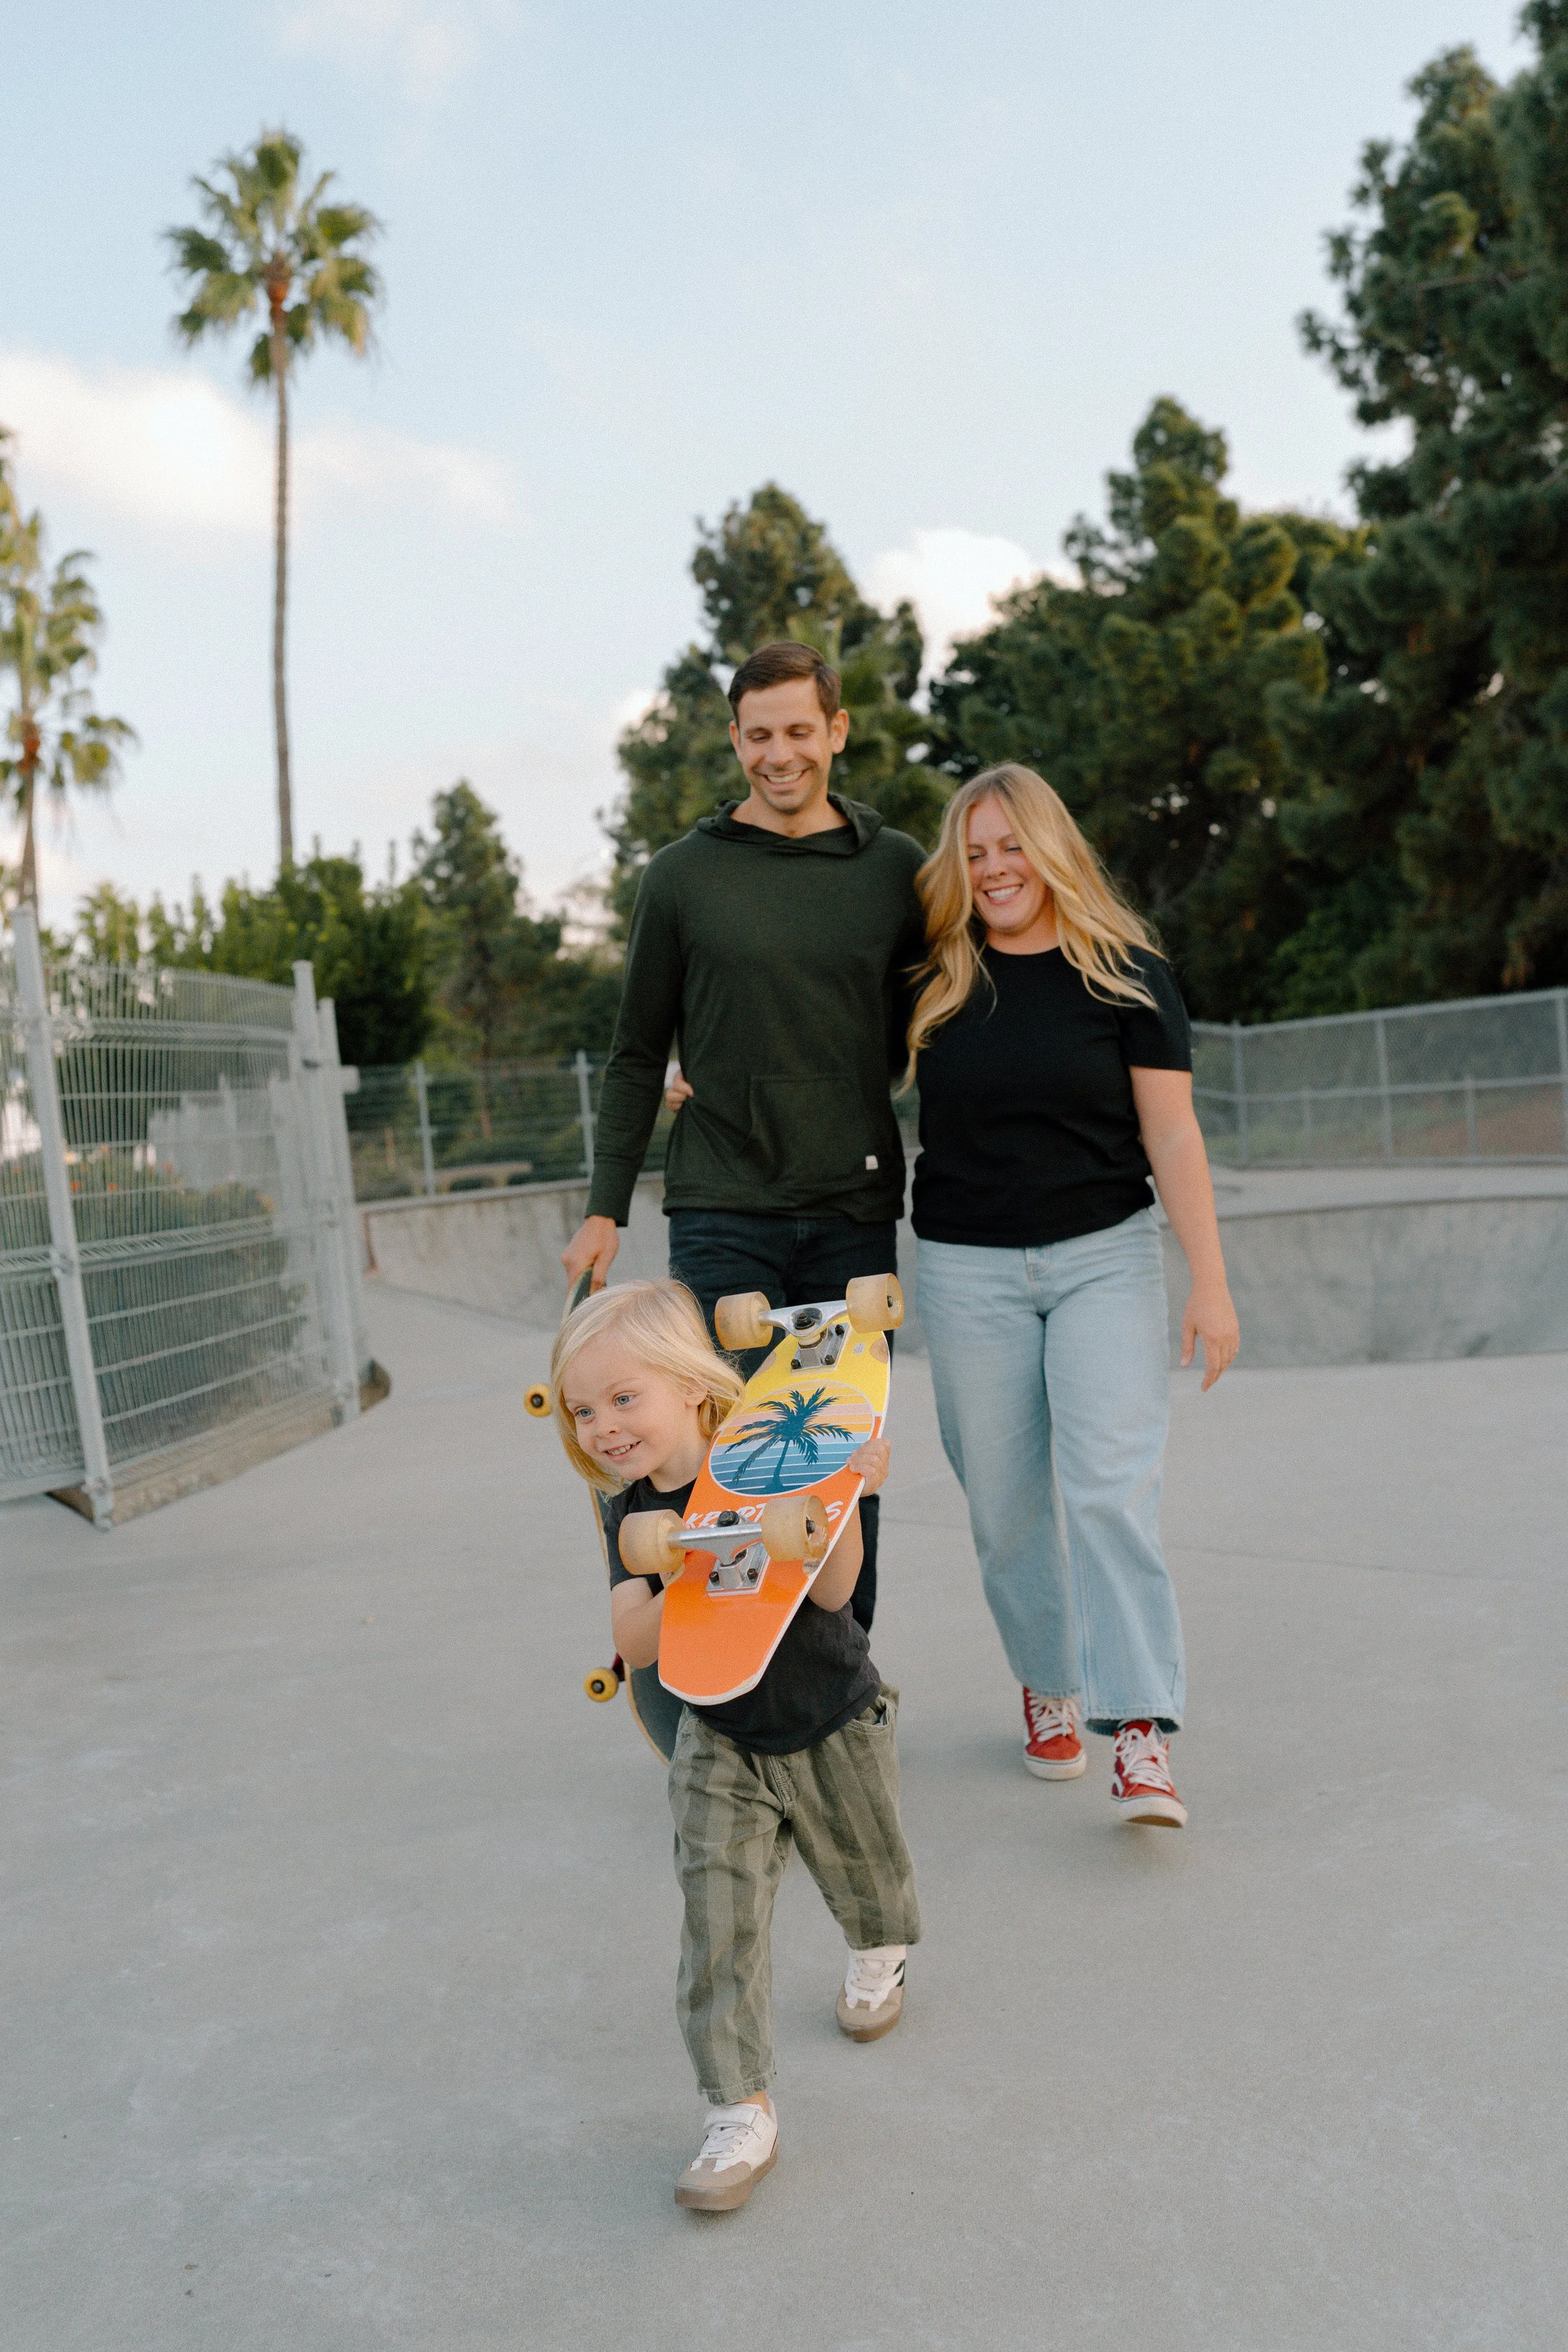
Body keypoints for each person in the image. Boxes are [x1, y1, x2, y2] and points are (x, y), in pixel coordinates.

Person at [562, 638, 928, 1633]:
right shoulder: (683, 877)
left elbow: (944, 1012)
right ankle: (724, 1690)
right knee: (724, 1456)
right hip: (723, 1206)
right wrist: (603, 1208)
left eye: (800, 731)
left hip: (852, 1211)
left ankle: (841, 1684)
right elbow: (638, 1052)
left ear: (837, 731)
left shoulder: (893, 868)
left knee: (840, 1460)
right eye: (759, 735)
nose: (781, 754)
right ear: (735, 740)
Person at [904, 763, 1240, 1830]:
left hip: (1104, 1256)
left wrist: (1212, 1285)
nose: (996, 867)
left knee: (1108, 1489)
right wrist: (699, 1072)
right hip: (966, 1268)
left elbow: (1174, 1133)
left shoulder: (1129, 971)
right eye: (976, 851)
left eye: (1012, 845)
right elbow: (821, 1056)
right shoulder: (935, 975)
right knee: (1004, 1508)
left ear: (1050, 848)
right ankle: (1048, 1677)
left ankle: (1139, 1728)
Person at [551, 1279, 921, 2213]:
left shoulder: (770, 1454)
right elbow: (633, 1641)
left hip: (829, 1708)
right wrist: (687, 1556)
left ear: (692, 1387)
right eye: (583, 1409)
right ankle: (737, 2107)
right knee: (718, 1923)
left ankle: (879, 1948)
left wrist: (844, 1495)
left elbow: (834, 1592)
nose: (602, 1426)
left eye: (623, 1398)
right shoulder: (631, 1510)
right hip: (717, 1734)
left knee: (867, 1873)